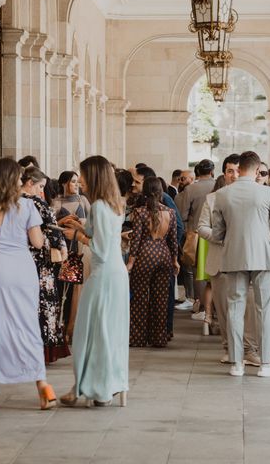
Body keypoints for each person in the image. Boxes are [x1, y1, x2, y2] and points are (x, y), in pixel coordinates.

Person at [0, 157, 56, 411]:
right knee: (27, 326)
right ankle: (43, 386)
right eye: (18, 177)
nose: (20, 181)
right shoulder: (26, 206)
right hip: (22, 272)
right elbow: (37, 243)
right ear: (11, 179)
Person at [59, 156, 130, 407]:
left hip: (102, 276)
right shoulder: (115, 205)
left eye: (84, 175)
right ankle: (106, 384)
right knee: (110, 332)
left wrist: (75, 234)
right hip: (118, 275)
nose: (82, 181)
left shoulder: (99, 206)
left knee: (87, 333)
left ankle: (88, 387)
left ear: (94, 176)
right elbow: (104, 234)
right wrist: (81, 224)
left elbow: (99, 248)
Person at [212, 151, 270, 377]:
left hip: (234, 257)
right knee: (264, 310)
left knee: (235, 309)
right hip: (263, 257)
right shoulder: (267, 192)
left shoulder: (223, 194)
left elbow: (217, 233)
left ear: (239, 169)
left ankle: (237, 364)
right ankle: (265, 364)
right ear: (257, 171)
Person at [197, 154, 260, 364]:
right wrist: (220, 236)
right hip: (220, 259)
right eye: (230, 171)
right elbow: (201, 227)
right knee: (224, 310)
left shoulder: (254, 195)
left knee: (249, 308)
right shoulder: (212, 198)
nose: (234, 175)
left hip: (246, 260)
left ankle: (250, 350)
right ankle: (230, 348)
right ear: (224, 174)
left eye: (237, 170)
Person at [21, 167, 70, 364]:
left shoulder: (10, 202)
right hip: (41, 261)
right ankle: (44, 348)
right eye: (40, 186)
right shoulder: (36, 203)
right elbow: (52, 229)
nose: (42, 191)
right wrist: (63, 247)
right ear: (30, 183)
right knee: (45, 304)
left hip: (20, 259)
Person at [128, 176, 179, 347]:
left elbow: (135, 241)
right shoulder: (170, 213)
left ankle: (138, 338)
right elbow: (173, 240)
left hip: (145, 255)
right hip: (163, 255)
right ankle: (159, 338)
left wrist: (130, 262)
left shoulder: (140, 212)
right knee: (161, 299)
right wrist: (175, 260)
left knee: (140, 299)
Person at [52, 170, 91, 332]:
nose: (76, 185)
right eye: (72, 181)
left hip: (82, 245)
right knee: (63, 284)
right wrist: (64, 221)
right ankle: (63, 320)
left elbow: (91, 223)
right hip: (65, 246)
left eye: (77, 181)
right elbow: (51, 224)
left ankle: (73, 323)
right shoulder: (57, 201)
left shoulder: (83, 200)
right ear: (64, 183)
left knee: (77, 285)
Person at [178, 159, 215, 320]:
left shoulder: (191, 189)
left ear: (197, 173)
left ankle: (201, 305)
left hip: (196, 233)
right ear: (212, 171)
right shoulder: (219, 186)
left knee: (198, 271)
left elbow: (183, 215)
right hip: (217, 233)